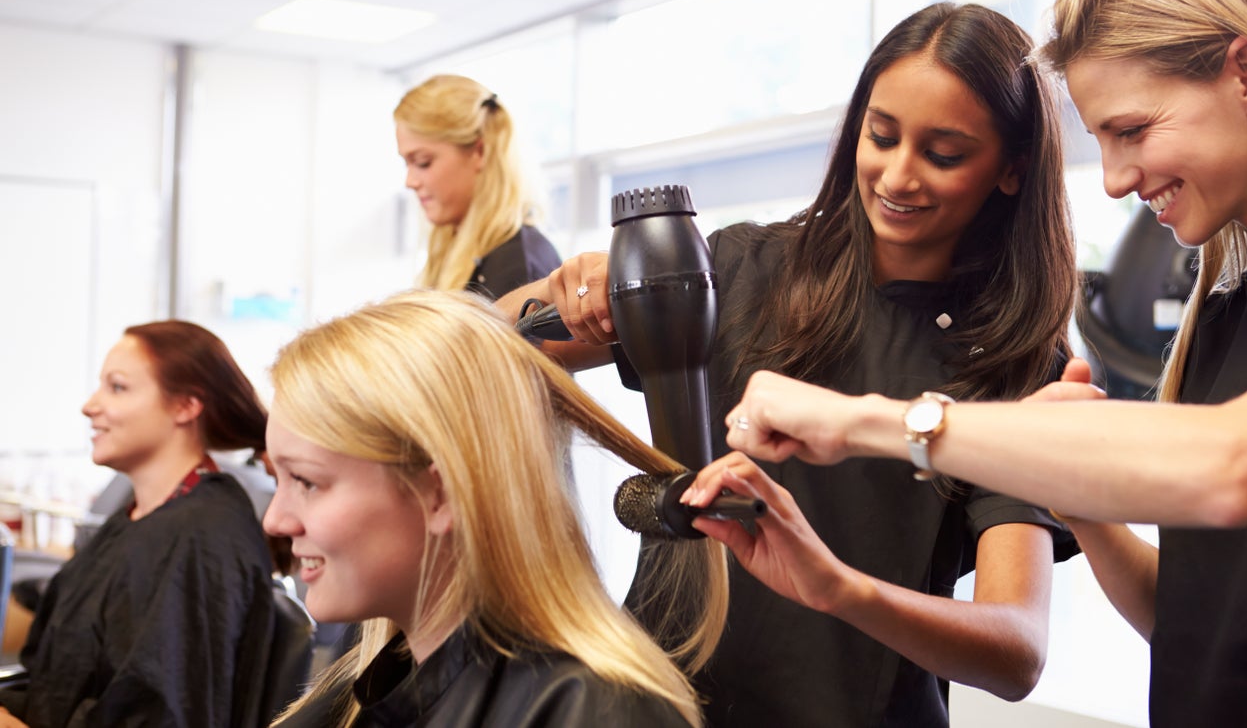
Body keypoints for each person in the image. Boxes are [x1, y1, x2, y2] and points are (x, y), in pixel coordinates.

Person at [713, 0, 1247, 728]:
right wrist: (1075, 492)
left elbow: (1233, 467)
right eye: (1102, 142)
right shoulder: (1230, 319)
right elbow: (1194, 622)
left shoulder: (1016, 360)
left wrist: (868, 421)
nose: (1116, 179)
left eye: (1132, 131)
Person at [498, 2, 1079, 727]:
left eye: (944, 153)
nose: (897, 176)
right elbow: (487, 351)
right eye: (881, 135)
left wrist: (837, 587)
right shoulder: (743, 268)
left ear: (1011, 170)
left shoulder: (1016, 363)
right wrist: (563, 291)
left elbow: (1015, 649)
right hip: (654, 707)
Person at [262, 290, 728, 727]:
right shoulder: (363, 695)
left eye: (306, 481)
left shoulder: (593, 713)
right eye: (276, 480)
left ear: (442, 494)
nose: (275, 520)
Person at [0, 321, 276, 728]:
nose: (90, 406)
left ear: (185, 406)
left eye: (117, 387)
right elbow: (56, 674)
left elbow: (165, 715)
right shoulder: (136, 518)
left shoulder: (201, 538)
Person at [395, 73, 560, 299]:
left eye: (423, 162)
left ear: (479, 152)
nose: (410, 181)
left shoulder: (519, 264)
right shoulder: (461, 250)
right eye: (407, 164)